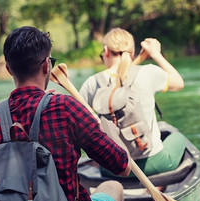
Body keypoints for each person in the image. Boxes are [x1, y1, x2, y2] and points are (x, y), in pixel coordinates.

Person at [0, 26, 130, 201]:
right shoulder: (66, 108)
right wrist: (110, 132)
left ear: (8, 68)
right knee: (113, 187)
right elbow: (122, 166)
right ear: (47, 66)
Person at [79, 28, 186, 176]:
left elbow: (80, 125)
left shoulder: (92, 83)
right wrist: (156, 54)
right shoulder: (147, 72)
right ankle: (159, 187)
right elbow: (179, 83)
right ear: (132, 53)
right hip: (153, 163)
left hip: (112, 170)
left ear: (106, 51)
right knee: (178, 137)